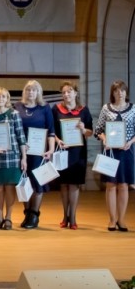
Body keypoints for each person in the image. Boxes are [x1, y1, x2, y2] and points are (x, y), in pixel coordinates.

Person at [93, 80, 135, 232]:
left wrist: (130, 142)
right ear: (112, 93)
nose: (120, 93)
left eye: (122, 90)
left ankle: (122, 220)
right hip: (110, 151)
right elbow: (98, 130)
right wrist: (105, 140)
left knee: (123, 185)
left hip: (127, 151)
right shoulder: (106, 108)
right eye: (116, 91)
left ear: (126, 92)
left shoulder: (133, 108)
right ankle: (112, 220)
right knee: (111, 185)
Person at [52, 80, 93, 230]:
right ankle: (65, 215)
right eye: (63, 92)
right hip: (61, 150)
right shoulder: (55, 109)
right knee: (63, 185)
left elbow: (90, 132)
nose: (66, 94)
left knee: (74, 184)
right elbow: (51, 131)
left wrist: (83, 130)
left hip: (78, 153)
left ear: (75, 93)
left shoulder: (84, 110)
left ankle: (73, 217)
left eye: (69, 91)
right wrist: (58, 141)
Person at [15, 80, 55, 229]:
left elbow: (51, 130)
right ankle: (27, 213)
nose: (30, 92)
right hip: (22, 152)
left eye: (34, 90)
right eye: (28, 90)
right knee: (23, 182)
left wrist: (50, 149)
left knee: (37, 183)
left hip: (39, 152)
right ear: (24, 92)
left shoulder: (44, 108)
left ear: (38, 92)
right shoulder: (17, 107)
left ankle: (34, 214)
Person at [0, 87, 27, 230]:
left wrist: (24, 158)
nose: (0, 99)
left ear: (7, 99)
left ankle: (8, 218)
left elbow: (21, 137)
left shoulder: (14, 114)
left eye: (3, 97)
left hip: (12, 157)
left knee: (10, 188)